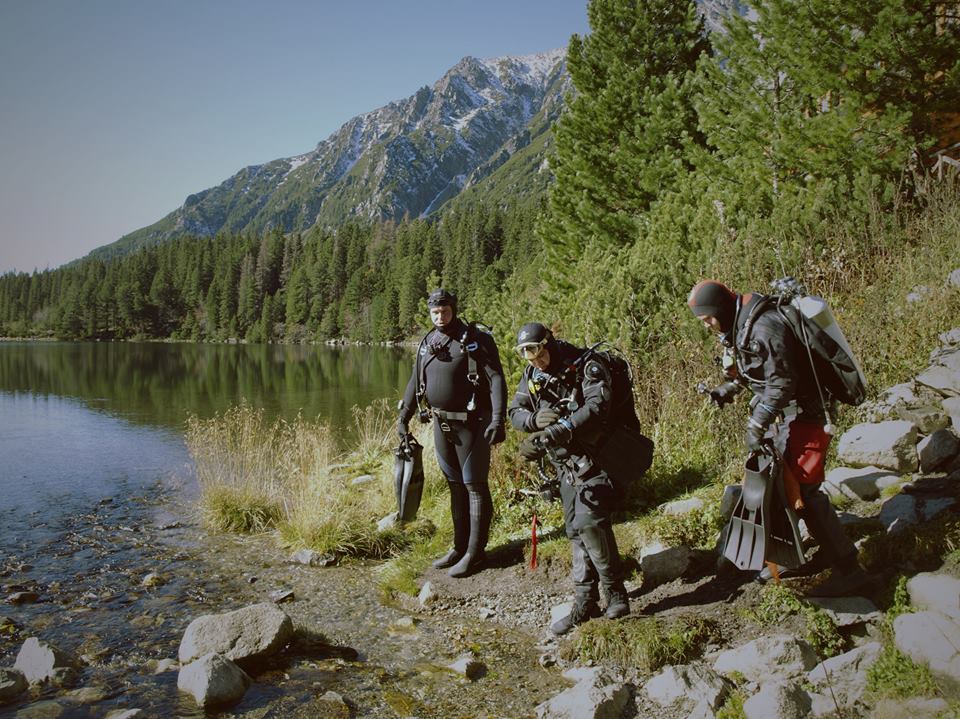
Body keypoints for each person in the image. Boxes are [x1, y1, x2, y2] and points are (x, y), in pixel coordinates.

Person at [688, 280, 869, 597]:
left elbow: (783, 381)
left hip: (806, 415)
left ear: (718, 308)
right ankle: (800, 555)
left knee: (806, 492)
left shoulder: (764, 326)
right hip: (787, 416)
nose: (707, 326)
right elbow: (755, 372)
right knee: (784, 490)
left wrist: (757, 423)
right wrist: (726, 390)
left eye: (707, 319)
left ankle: (850, 569)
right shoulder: (740, 324)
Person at [508, 322, 630, 634]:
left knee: (590, 521)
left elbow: (597, 406)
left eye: (535, 350)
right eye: (525, 354)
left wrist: (562, 429)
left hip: (601, 457)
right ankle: (585, 602)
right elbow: (515, 412)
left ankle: (615, 593)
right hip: (566, 464)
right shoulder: (534, 374)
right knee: (574, 529)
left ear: (548, 343)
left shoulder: (587, 365)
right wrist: (534, 420)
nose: (533, 359)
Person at [397, 289, 506, 578]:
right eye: (435, 312)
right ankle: (459, 547)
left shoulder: (475, 339)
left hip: (472, 424)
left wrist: (498, 419)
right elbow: (414, 381)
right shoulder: (427, 341)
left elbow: (496, 378)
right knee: (455, 485)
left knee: (474, 485)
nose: (440, 316)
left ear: (453, 309)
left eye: (445, 310)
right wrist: (403, 417)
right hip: (440, 424)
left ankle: (476, 553)